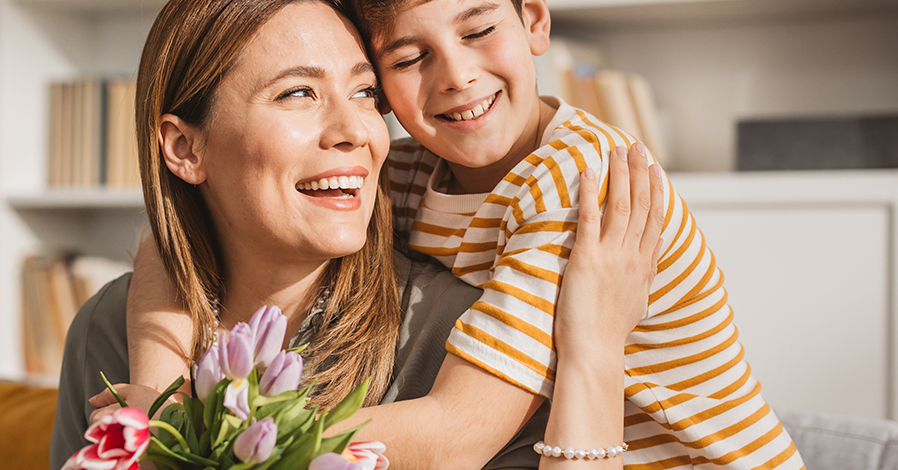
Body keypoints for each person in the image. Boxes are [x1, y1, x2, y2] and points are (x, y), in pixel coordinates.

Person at [52, 0, 666, 468]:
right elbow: (169, 241)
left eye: (365, 93)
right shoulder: (110, 330)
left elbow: (457, 429)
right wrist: (160, 394)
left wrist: (202, 434)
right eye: (298, 93)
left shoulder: (458, 335)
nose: (357, 132)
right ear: (185, 147)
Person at [335, 0, 807, 467]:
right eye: (410, 59)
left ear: (535, 22)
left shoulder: (577, 176)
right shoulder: (402, 173)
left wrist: (268, 432)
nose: (457, 77)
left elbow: (455, 437)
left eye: (478, 32)